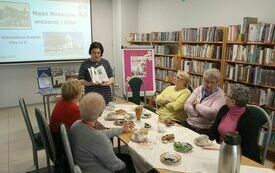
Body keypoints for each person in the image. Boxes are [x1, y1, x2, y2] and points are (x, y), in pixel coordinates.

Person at [70, 92, 135, 173]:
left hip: (84, 164)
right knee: (133, 163)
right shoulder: (97, 138)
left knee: (127, 158)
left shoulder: (76, 125)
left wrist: (121, 129)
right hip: (98, 169)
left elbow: (101, 133)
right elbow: (116, 165)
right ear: (100, 113)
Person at [209, 84, 265, 163]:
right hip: (218, 150)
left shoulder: (250, 120)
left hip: (236, 157)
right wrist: (210, 143)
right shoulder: (224, 109)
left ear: (233, 102)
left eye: (227, 95)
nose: (225, 96)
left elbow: (248, 149)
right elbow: (213, 129)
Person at [49, 79, 82, 172]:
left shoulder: (61, 103)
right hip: (63, 145)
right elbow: (86, 128)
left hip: (55, 139)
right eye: (81, 91)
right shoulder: (74, 109)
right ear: (76, 94)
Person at [183, 68, 226, 136]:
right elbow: (186, 106)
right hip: (189, 123)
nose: (208, 85)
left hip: (204, 130)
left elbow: (212, 114)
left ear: (217, 82)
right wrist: (201, 113)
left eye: (212, 82)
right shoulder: (199, 89)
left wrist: (196, 105)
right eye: (206, 81)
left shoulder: (220, 95)